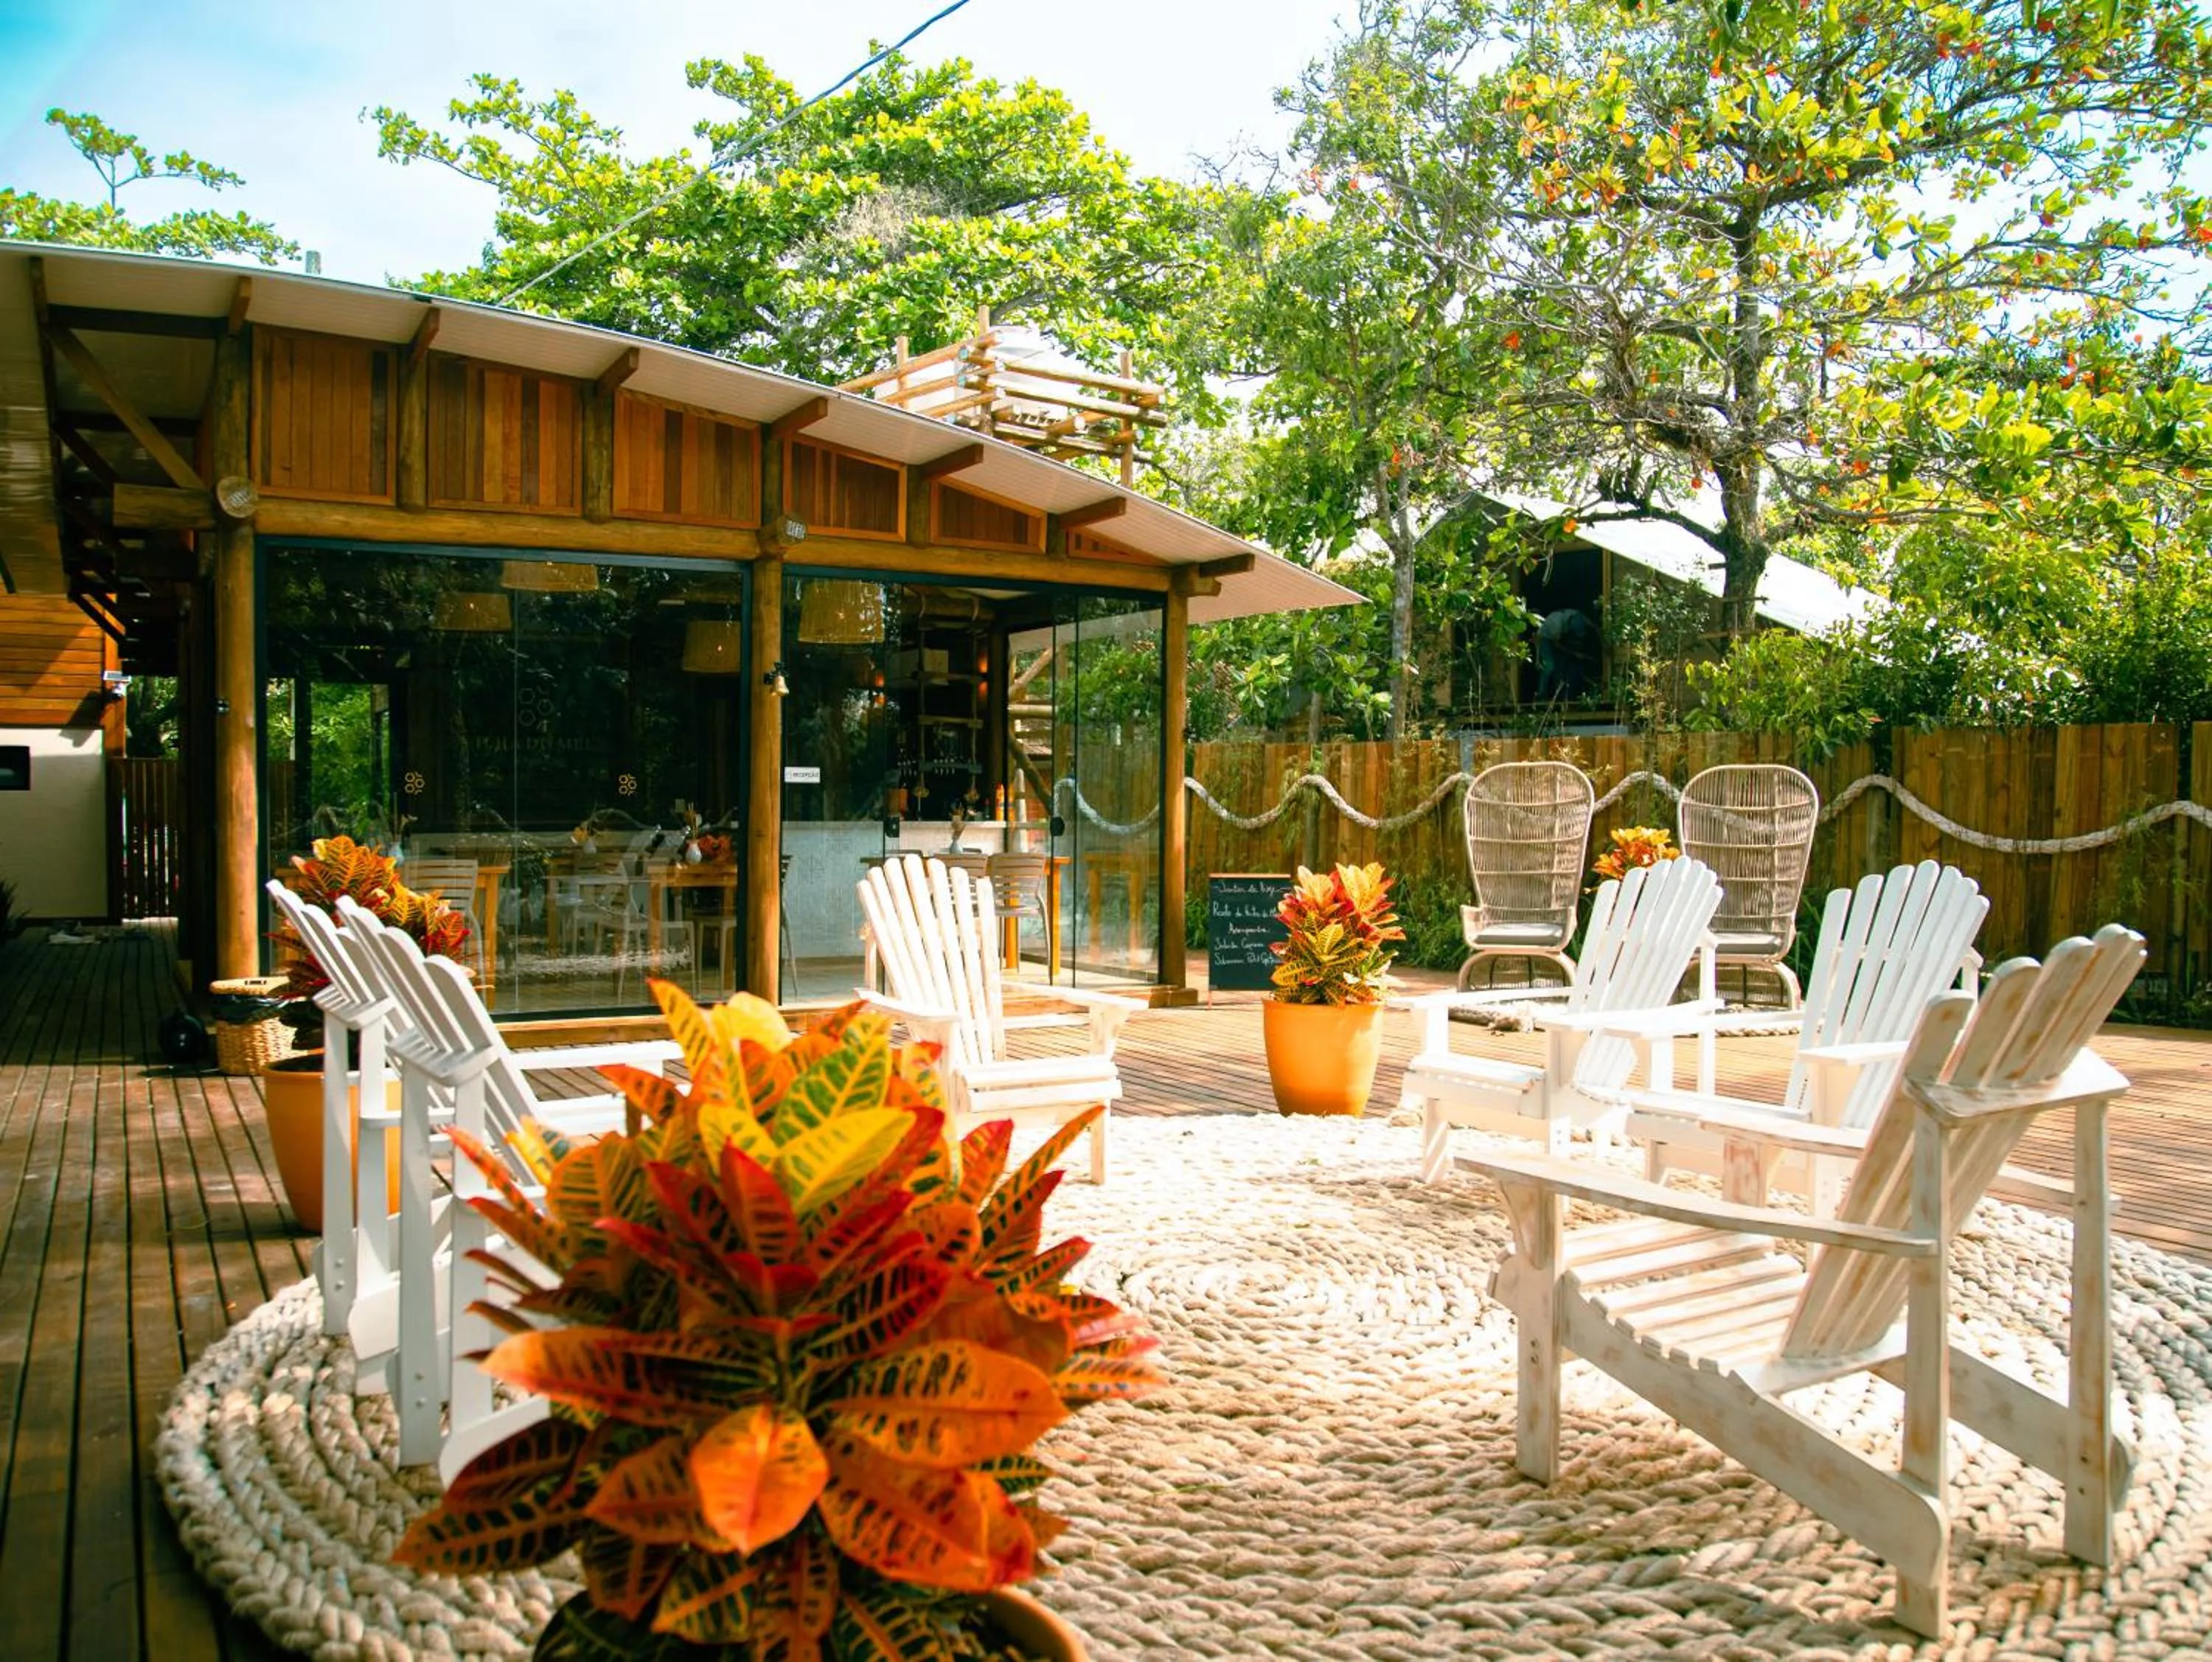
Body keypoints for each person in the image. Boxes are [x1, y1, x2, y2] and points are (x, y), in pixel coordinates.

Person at [1534, 606, 1599, 701]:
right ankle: (1541, 696)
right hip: (1545, 639)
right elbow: (1557, 645)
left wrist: (1605, 644)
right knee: (1549, 665)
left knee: (1562, 665)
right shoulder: (1556, 625)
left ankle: (1563, 695)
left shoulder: (1579, 616)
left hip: (1560, 636)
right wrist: (1576, 654)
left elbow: (1596, 627)